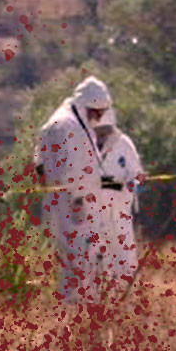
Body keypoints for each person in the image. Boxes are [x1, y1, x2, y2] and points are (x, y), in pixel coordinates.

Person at [33, 76, 111, 304]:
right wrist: (78, 204)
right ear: (87, 106)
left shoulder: (58, 122)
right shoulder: (71, 127)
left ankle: (73, 309)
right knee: (80, 261)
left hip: (60, 202)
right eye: (96, 112)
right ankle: (77, 313)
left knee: (71, 260)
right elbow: (74, 171)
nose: (98, 118)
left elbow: (38, 162)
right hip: (75, 206)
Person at [91, 109, 143, 296]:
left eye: (105, 129)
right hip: (94, 210)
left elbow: (137, 173)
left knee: (124, 251)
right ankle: (102, 297)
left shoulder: (123, 143)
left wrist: (134, 183)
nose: (102, 134)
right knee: (98, 254)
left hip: (120, 207)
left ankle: (129, 295)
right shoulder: (84, 145)